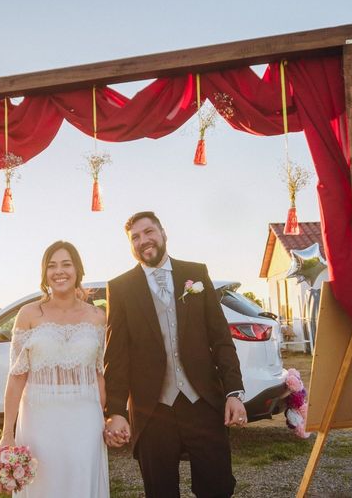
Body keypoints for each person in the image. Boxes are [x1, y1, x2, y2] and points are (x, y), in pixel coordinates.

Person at [104, 211, 247, 498]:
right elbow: (116, 356)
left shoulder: (195, 274)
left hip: (203, 402)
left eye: (149, 232)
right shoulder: (120, 288)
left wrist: (233, 392)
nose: (143, 240)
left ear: (163, 233)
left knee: (217, 488)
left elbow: (220, 339)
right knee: (160, 492)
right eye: (135, 237)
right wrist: (116, 412)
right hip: (152, 409)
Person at [0, 240, 110, 497]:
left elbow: (99, 375)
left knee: (81, 482)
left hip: (85, 419)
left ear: (77, 270)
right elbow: (16, 377)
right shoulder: (28, 314)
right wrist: (7, 434)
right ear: (44, 274)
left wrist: (105, 420)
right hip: (39, 420)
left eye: (66, 264)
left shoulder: (97, 317)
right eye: (52, 266)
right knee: (44, 487)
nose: (60, 271)